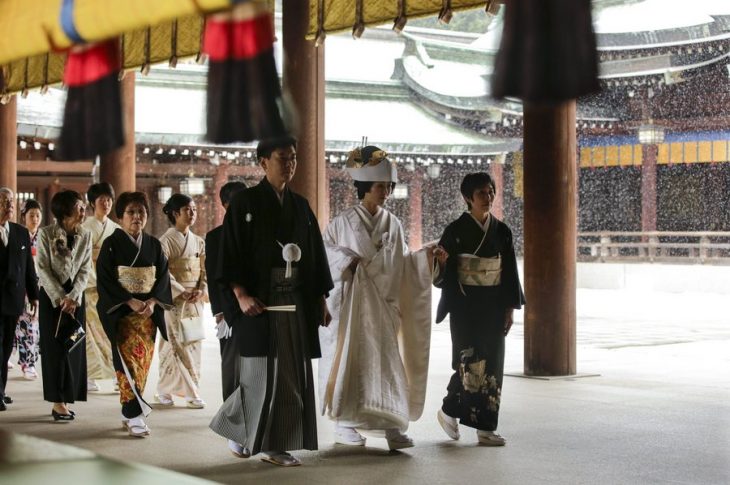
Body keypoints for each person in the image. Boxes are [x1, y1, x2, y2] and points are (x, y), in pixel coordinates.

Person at [210, 136, 334, 467]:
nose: (290, 164)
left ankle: (275, 443)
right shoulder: (245, 203)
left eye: (293, 158)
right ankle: (243, 430)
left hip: (293, 302)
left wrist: (320, 298)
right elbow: (231, 252)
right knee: (259, 374)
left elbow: (314, 257)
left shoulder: (301, 206)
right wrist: (240, 294)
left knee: (290, 374)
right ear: (263, 163)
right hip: (260, 303)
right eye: (283, 158)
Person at [319, 146, 434, 450]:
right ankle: (344, 424)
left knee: (388, 367)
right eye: (381, 186)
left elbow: (404, 262)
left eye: (388, 186)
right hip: (352, 308)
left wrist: (426, 258)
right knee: (352, 365)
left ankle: (392, 425)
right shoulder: (342, 223)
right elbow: (323, 255)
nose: (386, 192)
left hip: (383, 306)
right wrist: (347, 260)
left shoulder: (393, 224)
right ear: (364, 188)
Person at [433, 172, 525, 446]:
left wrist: (510, 308)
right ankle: (449, 411)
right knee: (468, 361)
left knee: (493, 364)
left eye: (491, 192)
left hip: (494, 305)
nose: (488, 198)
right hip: (464, 305)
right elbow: (441, 272)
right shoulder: (455, 230)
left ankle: (484, 426)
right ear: (467, 198)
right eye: (482, 193)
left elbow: (509, 272)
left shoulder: (502, 231)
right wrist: (444, 261)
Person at [96, 192, 173, 437]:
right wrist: (129, 301)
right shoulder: (111, 244)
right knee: (125, 364)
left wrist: (152, 301)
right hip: (122, 315)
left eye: (141, 212)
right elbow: (105, 280)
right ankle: (134, 415)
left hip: (147, 316)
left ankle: (128, 411)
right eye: (131, 212)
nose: (136, 216)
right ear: (120, 216)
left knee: (142, 364)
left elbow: (162, 278)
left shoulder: (154, 245)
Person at [37, 190, 92, 421]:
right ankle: (57, 402)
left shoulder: (85, 235)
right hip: (52, 300)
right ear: (66, 210)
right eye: (79, 207)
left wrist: (73, 296)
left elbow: (85, 269)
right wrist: (61, 298)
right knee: (54, 351)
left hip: (76, 299)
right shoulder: (46, 234)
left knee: (73, 347)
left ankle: (67, 397)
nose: (83, 211)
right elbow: (42, 268)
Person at [205, 181, 247, 456]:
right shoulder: (215, 236)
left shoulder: (256, 232)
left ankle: (250, 425)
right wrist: (220, 312)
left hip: (255, 309)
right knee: (232, 369)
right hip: (230, 312)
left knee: (254, 371)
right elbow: (213, 277)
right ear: (225, 206)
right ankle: (233, 428)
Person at [156, 193, 208, 408]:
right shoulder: (165, 241)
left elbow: (204, 270)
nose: (192, 213)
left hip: (194, 299)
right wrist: (179, 290)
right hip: (175, 300)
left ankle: (185, 388)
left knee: (193, 343)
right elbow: (162, 271)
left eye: (194, 209)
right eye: (188, 209)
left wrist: (201, 288)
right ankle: (179, 391)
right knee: (174, 344)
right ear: (175, 213)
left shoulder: (198, 241)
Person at [0, 189, 39, 412]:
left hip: (14, 300)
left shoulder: (20, 233)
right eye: (4, 201)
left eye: (12, 201)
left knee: (6, 349)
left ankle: (1, 391)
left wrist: (34, 295)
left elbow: (29, 269)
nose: (9, 205)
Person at [81, 182, 120, 392]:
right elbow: (83, 259)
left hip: (111, 288)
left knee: (111, 331)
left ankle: (117, 373)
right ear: (92, 203)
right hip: (92, 287)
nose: (106, 203)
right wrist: (97, 281)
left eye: (109, 199)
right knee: (92, 332)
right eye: (101, 199)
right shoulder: (85, 228)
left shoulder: (116, 229)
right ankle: (89, 375)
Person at [14, 199, 42, 381]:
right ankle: (15, 355)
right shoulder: (17, 235)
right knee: (16, 325)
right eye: (31, 215)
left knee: (31, 326)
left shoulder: (44, 237)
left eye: (38, 215)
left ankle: (29, 363)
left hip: (37, 285)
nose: (35, 218)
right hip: (18, 285)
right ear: (23, 216)